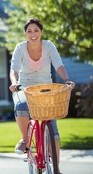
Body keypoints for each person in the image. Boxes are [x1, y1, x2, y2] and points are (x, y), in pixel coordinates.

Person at [9, 18, 75, 171]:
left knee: (54, 133)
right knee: (20, 104)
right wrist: (14, 82)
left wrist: (66, 79)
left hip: (46, 87)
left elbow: (58, 64)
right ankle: (25, 139)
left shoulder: (49, 46)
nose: (33, 34)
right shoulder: (20, 48)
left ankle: (56, 169)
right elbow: (14, 69)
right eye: (29, 31)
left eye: (36, 30)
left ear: (41, 32)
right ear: (25, 33)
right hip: (24, 87)